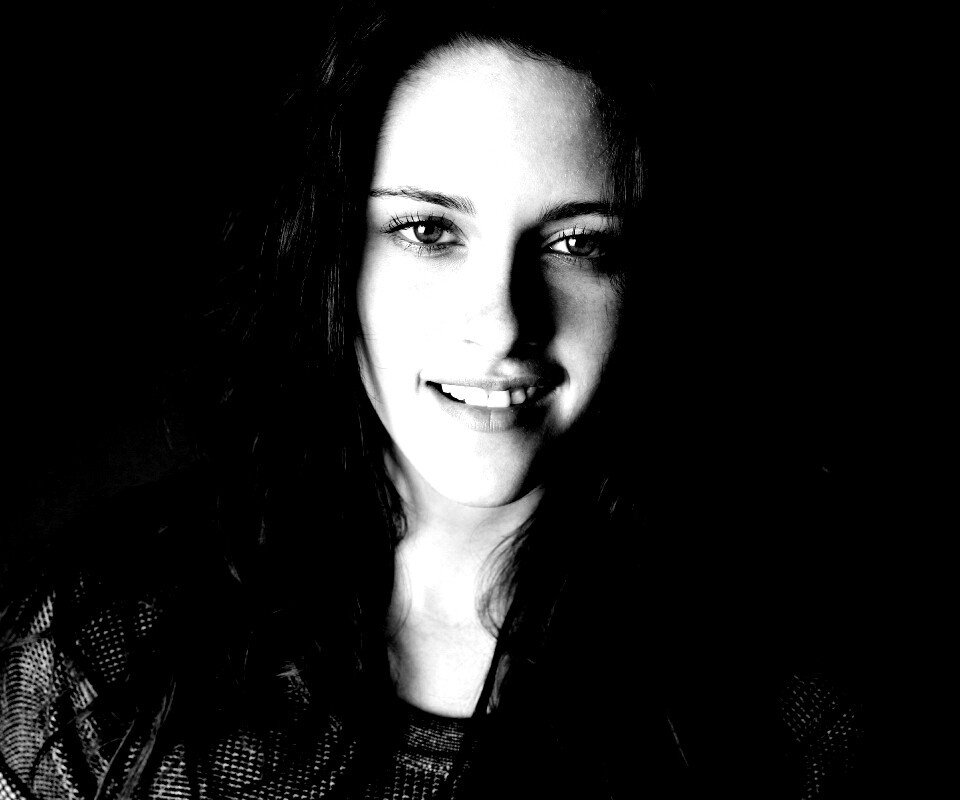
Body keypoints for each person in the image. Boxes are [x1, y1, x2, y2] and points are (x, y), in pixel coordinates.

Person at [1, 3, 864, 798]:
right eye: (428, 231)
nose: (503, 322)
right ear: (331, 259)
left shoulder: (783, 708)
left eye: (576, 244)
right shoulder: (103, 650)